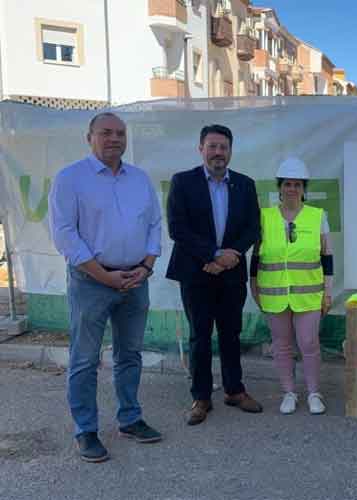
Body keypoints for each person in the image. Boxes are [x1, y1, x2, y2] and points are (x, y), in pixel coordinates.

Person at [48, 112, 163, 462]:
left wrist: (146, 266)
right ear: (89, 137)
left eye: (120, 133)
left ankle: (129, 418)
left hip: (135, 279)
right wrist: (102, 275)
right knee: (85, 359)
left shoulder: (140, 179)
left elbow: (155, 225)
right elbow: (65, 234)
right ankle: (85, 430)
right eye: (106, 133)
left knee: (129, 355)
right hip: (91, 283)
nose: (114, 139)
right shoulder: (70, 179)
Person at [166, 124, 262, 426]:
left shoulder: (245, 185)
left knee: (231, 334)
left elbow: (252, 228)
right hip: (196, 272)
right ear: (201, 149)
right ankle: (202, 397)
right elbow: (177, 228)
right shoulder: (183, 182)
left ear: (230, 151)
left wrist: (227, 256)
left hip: (231, 273)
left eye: (223, 147)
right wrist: (212, 255)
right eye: (212, 146)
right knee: (200, 337)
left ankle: (235, 390)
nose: (218, 152)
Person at [249, 157, 333, 415]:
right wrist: (254, 288)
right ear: (279, 187)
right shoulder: (265, 217)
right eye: (287, 184)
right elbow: (256, 257)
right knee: (282, 344)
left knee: (309, 343)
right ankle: (289, 392)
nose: (292, 189)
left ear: (303, 188)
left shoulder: (318, 216)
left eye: (297, 184)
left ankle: (314, 393)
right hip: (273, 294)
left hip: (309, 295)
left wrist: (327, 292)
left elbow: (327, 257)